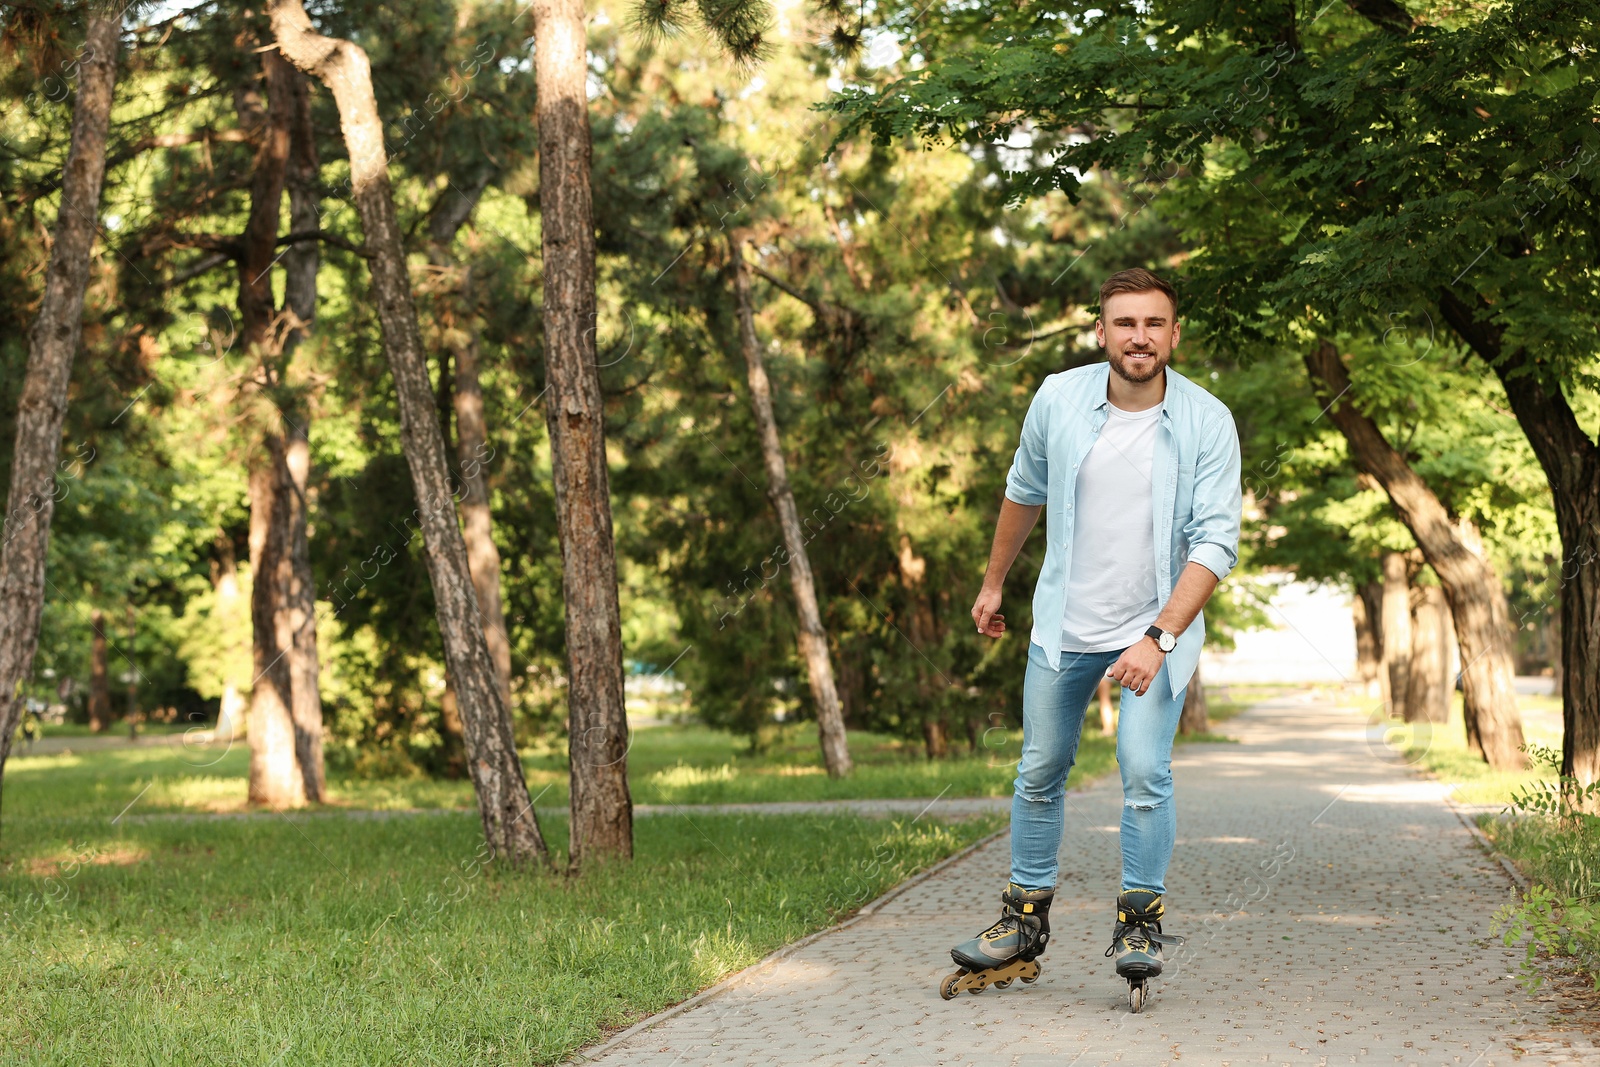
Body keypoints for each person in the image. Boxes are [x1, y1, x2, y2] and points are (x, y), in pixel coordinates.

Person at [942, 267, 1242, 1008]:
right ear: (1100, 330)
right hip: (1063, 626)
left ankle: (1140, 922)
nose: (1139, 337)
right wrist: (992, 582)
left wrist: (1158, 636)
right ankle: (1022, 921)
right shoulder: (1058, 397)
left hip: (1155, 634)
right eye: (1124, 323)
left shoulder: (1207, 420)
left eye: (1154, 323)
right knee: (1040, 768)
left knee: (1144, 769)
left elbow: (1216, 543)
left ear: (1175, 333)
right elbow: (1024, 489)